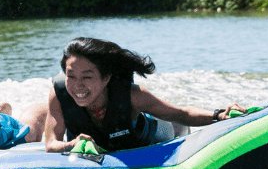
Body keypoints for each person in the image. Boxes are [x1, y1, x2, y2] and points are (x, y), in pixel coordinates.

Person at [41, 37, 245, 154]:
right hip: (107, 146)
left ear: (106, 78)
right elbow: (51, 144)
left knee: (175, 124)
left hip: (152, 135)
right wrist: (71, 145)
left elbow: (181, 113)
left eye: (87, 77)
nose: (77, 85)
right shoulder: (59, 95)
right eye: (71, 76)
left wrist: (219, 115)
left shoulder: (132, 96)